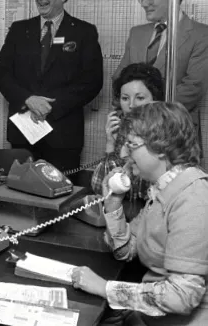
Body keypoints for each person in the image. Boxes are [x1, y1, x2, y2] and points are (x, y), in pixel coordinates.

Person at [71, 102, 208, 325]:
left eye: (132, 145)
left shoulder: (193, 198)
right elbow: (126, 250)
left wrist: (104, 288)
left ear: (161, 148)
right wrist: (113, 202)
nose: (124, 153)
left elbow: (182, 297)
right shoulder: (164, 189)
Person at [0, 0, 103, 173]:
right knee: (21, 193)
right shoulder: (19, 29)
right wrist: (28, 99)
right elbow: (2, 73)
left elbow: (92, 81)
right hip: (24, 133)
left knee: (60, 195)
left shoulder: (83, 32)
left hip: (63, 135)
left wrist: (52, 106)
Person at [114, 0, 208, 136]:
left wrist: (146, 114)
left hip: (175, 134)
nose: (144, 3)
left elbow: (193, 88)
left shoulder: (200, 35)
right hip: (133, 133)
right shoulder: (137, 33)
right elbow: (119, 78)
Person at [90, 63, 164, 220]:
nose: (131, 105)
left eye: (140, 98)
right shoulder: (122, 129)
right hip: (126, 215)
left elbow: (147, 193)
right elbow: (100, 187)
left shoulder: (164, 133)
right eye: (125, 98)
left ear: (155, 100)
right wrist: (110, 144)